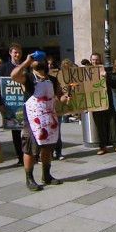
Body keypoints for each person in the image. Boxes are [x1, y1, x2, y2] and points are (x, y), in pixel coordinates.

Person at [11, 52, 70, 191]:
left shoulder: (53, 79)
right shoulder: (28, 78)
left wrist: (65, 98)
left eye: (39, 59)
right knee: (30, 149)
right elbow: (13, 75)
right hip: (32, 121)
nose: (37, 61)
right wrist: (26, 61)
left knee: (47, 148)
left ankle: (46, 175)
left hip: (49, 119)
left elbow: (60, 96)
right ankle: (29, 178)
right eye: (34, 60)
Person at [0, 43, 25, 166]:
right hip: (11, 106)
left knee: (30, 132)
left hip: (26, 105)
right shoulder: (4, 68)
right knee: (16, 133)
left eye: (19, 52)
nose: (17, 55)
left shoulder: (25, 67)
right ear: (10, 53)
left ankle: (32, 155)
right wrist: (0, 105)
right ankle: (20, 157)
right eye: (15, 52)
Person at [90, 52, 116, 155]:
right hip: (95, 104)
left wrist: (107, 77)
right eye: (93, 60)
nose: (95, 62)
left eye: (97, 60)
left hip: (107, 102)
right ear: (91, 61)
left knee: (112, 123)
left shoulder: (106, 71)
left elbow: (115, 84)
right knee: (99, 126)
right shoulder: (87, 72)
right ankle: (102, 146)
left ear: (100, 60)